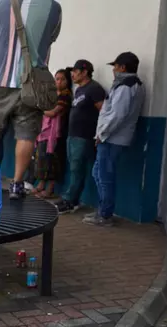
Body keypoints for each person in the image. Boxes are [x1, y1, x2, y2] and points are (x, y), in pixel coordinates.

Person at [0, 0, 62, 199]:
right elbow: (49, 40)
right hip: (32, 85)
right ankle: (17, 184)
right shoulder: (53, 7)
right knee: (26, 136)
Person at [84, 52, 145, 227]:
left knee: (105, 176)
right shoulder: (131, 85)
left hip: (112, 139)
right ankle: (103, 209)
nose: (114, 70)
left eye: (115, 66)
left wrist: (101, 135)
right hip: (113, 137)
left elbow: (117, 115)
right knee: (99, 173)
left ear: (123, 67)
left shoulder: (126, 86)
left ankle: (105, 215)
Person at [55, 60, 107, 214]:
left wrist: (99, 132)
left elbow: (103, 112)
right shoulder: (79, 90)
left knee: (77, 168)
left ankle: (70, 200)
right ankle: (71, 198)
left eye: (76, 71)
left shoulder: (94, 89)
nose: (73, 74)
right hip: (73, 135)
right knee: (73, 167)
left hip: (84, 136)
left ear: (85, 72)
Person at [33, 68, 72, 198]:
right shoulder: (52, 94)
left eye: (62, 79)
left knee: (52, 161)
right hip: (44, 133)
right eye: (57, 79)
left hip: (56, 134)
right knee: (42, 159)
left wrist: (40, 109)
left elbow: (53, 112)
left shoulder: (65, 95)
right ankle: (40, 184)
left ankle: (49, 189)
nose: (59, 81)